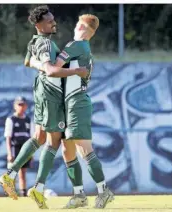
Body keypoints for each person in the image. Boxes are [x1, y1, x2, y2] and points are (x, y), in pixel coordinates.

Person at [0, 5, 88, 205]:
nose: (53, 23)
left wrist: (42, 67)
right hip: (51, 93)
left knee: (38, 137)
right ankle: (36, 187)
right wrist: (77, 71)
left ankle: (10, 175)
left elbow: (28, 62)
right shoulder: (46, 44)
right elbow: (51, 71)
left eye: (53, 19)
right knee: (54, 141)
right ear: (38, 24)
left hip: (41, 91)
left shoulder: (34, 41)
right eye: (49, 21)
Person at [30, 14, 114, 209]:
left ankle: (104, 191)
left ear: (84, 29)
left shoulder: (76, 45)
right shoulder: (85, 50)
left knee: (84, 148)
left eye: (78, 25)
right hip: (70, 103)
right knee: (68, 151)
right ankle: (79, 195)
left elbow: (53, 67)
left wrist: (35, 62)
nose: (75, 27)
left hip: (77, 102)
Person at [4, 96, 33, 197]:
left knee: (23, 172)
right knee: (12, 171)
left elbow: (31, 137)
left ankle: (23, 193)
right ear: (15, 106)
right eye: (19, 104)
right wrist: (9, 153)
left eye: (23, 104)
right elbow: (8, 137)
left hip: (25, 149)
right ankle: (9, 193)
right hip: (14, 148)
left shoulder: (28, 120)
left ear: (26, 106)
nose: (21, 107)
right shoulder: (11, 119)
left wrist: (31, 152)